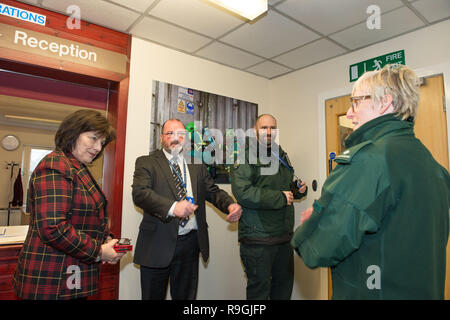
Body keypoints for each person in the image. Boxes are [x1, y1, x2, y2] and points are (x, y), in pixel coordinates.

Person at [291, 64, 450, 299]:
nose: (349, 112)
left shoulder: (369, 161)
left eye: (356, 101)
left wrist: (312, 225)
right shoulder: (434, 166)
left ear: (385, 102)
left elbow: (318, 248)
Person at [13, 109, 125, 300]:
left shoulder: (75, 167)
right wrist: (98, 251)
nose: (98, 147)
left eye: (102, 143)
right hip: (51, 278)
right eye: (93, 138)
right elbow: (53, 227)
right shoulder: (55, 166)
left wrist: (106, 241)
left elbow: (84, 217)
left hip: (70, 275)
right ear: (73, 132)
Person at [132, 118, 242, 300]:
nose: (175, 138)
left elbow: (212, 192)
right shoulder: (147, 162)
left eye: (180, 134)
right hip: (157, 244)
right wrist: (173, 207)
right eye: (170, 134)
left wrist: (230, 204)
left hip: (190, 244)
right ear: (161, 138)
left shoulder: (196, 164)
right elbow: (140, 193)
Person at [231, 114, 307, 300]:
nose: (269, 132)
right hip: (259, 238)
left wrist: (297, 190)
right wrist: (280, 197)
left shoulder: (279, 154)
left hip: (283, 236)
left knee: (283, 290)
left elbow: (285, 187)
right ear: (255, 130)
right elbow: (243, 192)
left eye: (272, 128)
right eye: (264, 127)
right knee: (259, 294)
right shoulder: (245, 156)